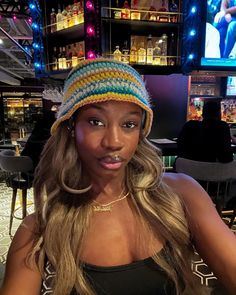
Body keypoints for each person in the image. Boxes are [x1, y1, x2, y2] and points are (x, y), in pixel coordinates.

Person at [1, 59, 236, 295]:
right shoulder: (38, 230)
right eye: (96, 122)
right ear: (71, 127)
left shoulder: (181, 193)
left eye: (129, 124)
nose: (114, 142)